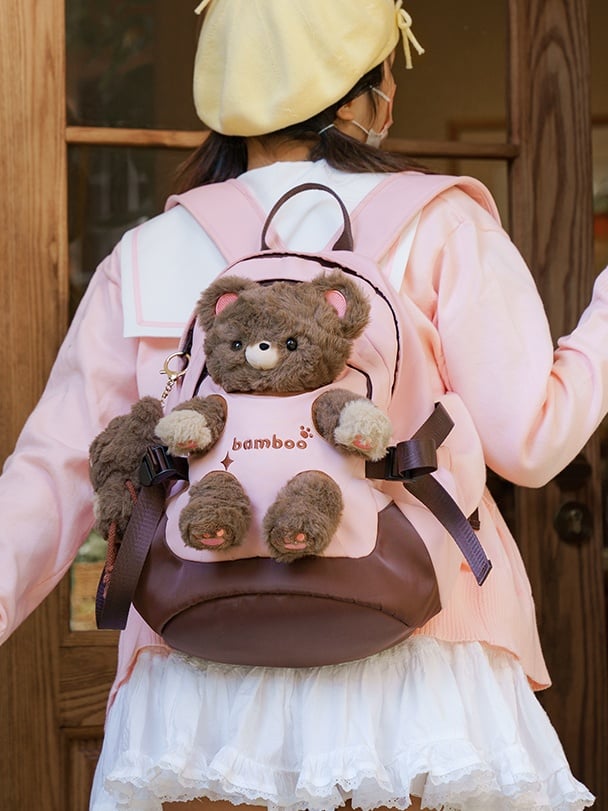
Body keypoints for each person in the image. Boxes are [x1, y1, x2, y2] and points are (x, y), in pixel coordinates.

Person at [0, 0, 603, 809]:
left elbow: (52, 480)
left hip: (195, 685)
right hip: (417, 677)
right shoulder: (441, 225)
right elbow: (531, 442)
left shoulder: (146, 255)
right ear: (358, 97)